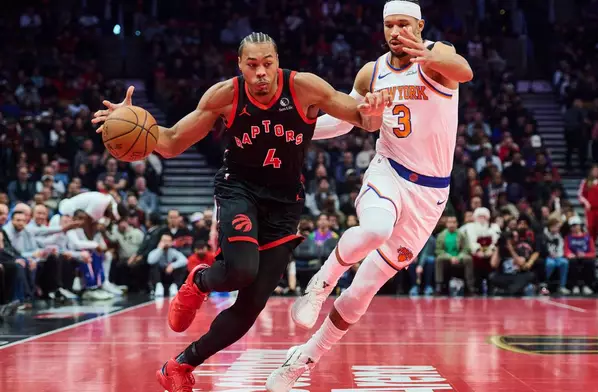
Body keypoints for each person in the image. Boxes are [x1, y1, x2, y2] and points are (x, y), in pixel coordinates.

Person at [92, 32, 390, 392]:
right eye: (252, 65)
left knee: (249, 311)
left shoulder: (305, 87)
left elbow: (363, 120)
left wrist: (373, 112)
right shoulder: (225, 96)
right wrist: (133, 119)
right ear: (240, 66)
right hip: (239, 190)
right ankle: (199, 281)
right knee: (241, 270)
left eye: (267, 63)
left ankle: (178, 366)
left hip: (285, 203)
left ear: (277, 62)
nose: (261, 72)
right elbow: (170, 143)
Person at [266, 1, 473, 390]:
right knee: (376, 228)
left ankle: (302, 358)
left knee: (362, 294)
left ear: (420, 25)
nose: (396, 32)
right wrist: (294, 130)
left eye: (404, 25)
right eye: (389, 25)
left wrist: (427, 52)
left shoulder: (437, 57)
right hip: (389, 172)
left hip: (430, 195)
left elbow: (465, 71)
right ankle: (320, 284)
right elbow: (346, 121)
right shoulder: (371, 72)